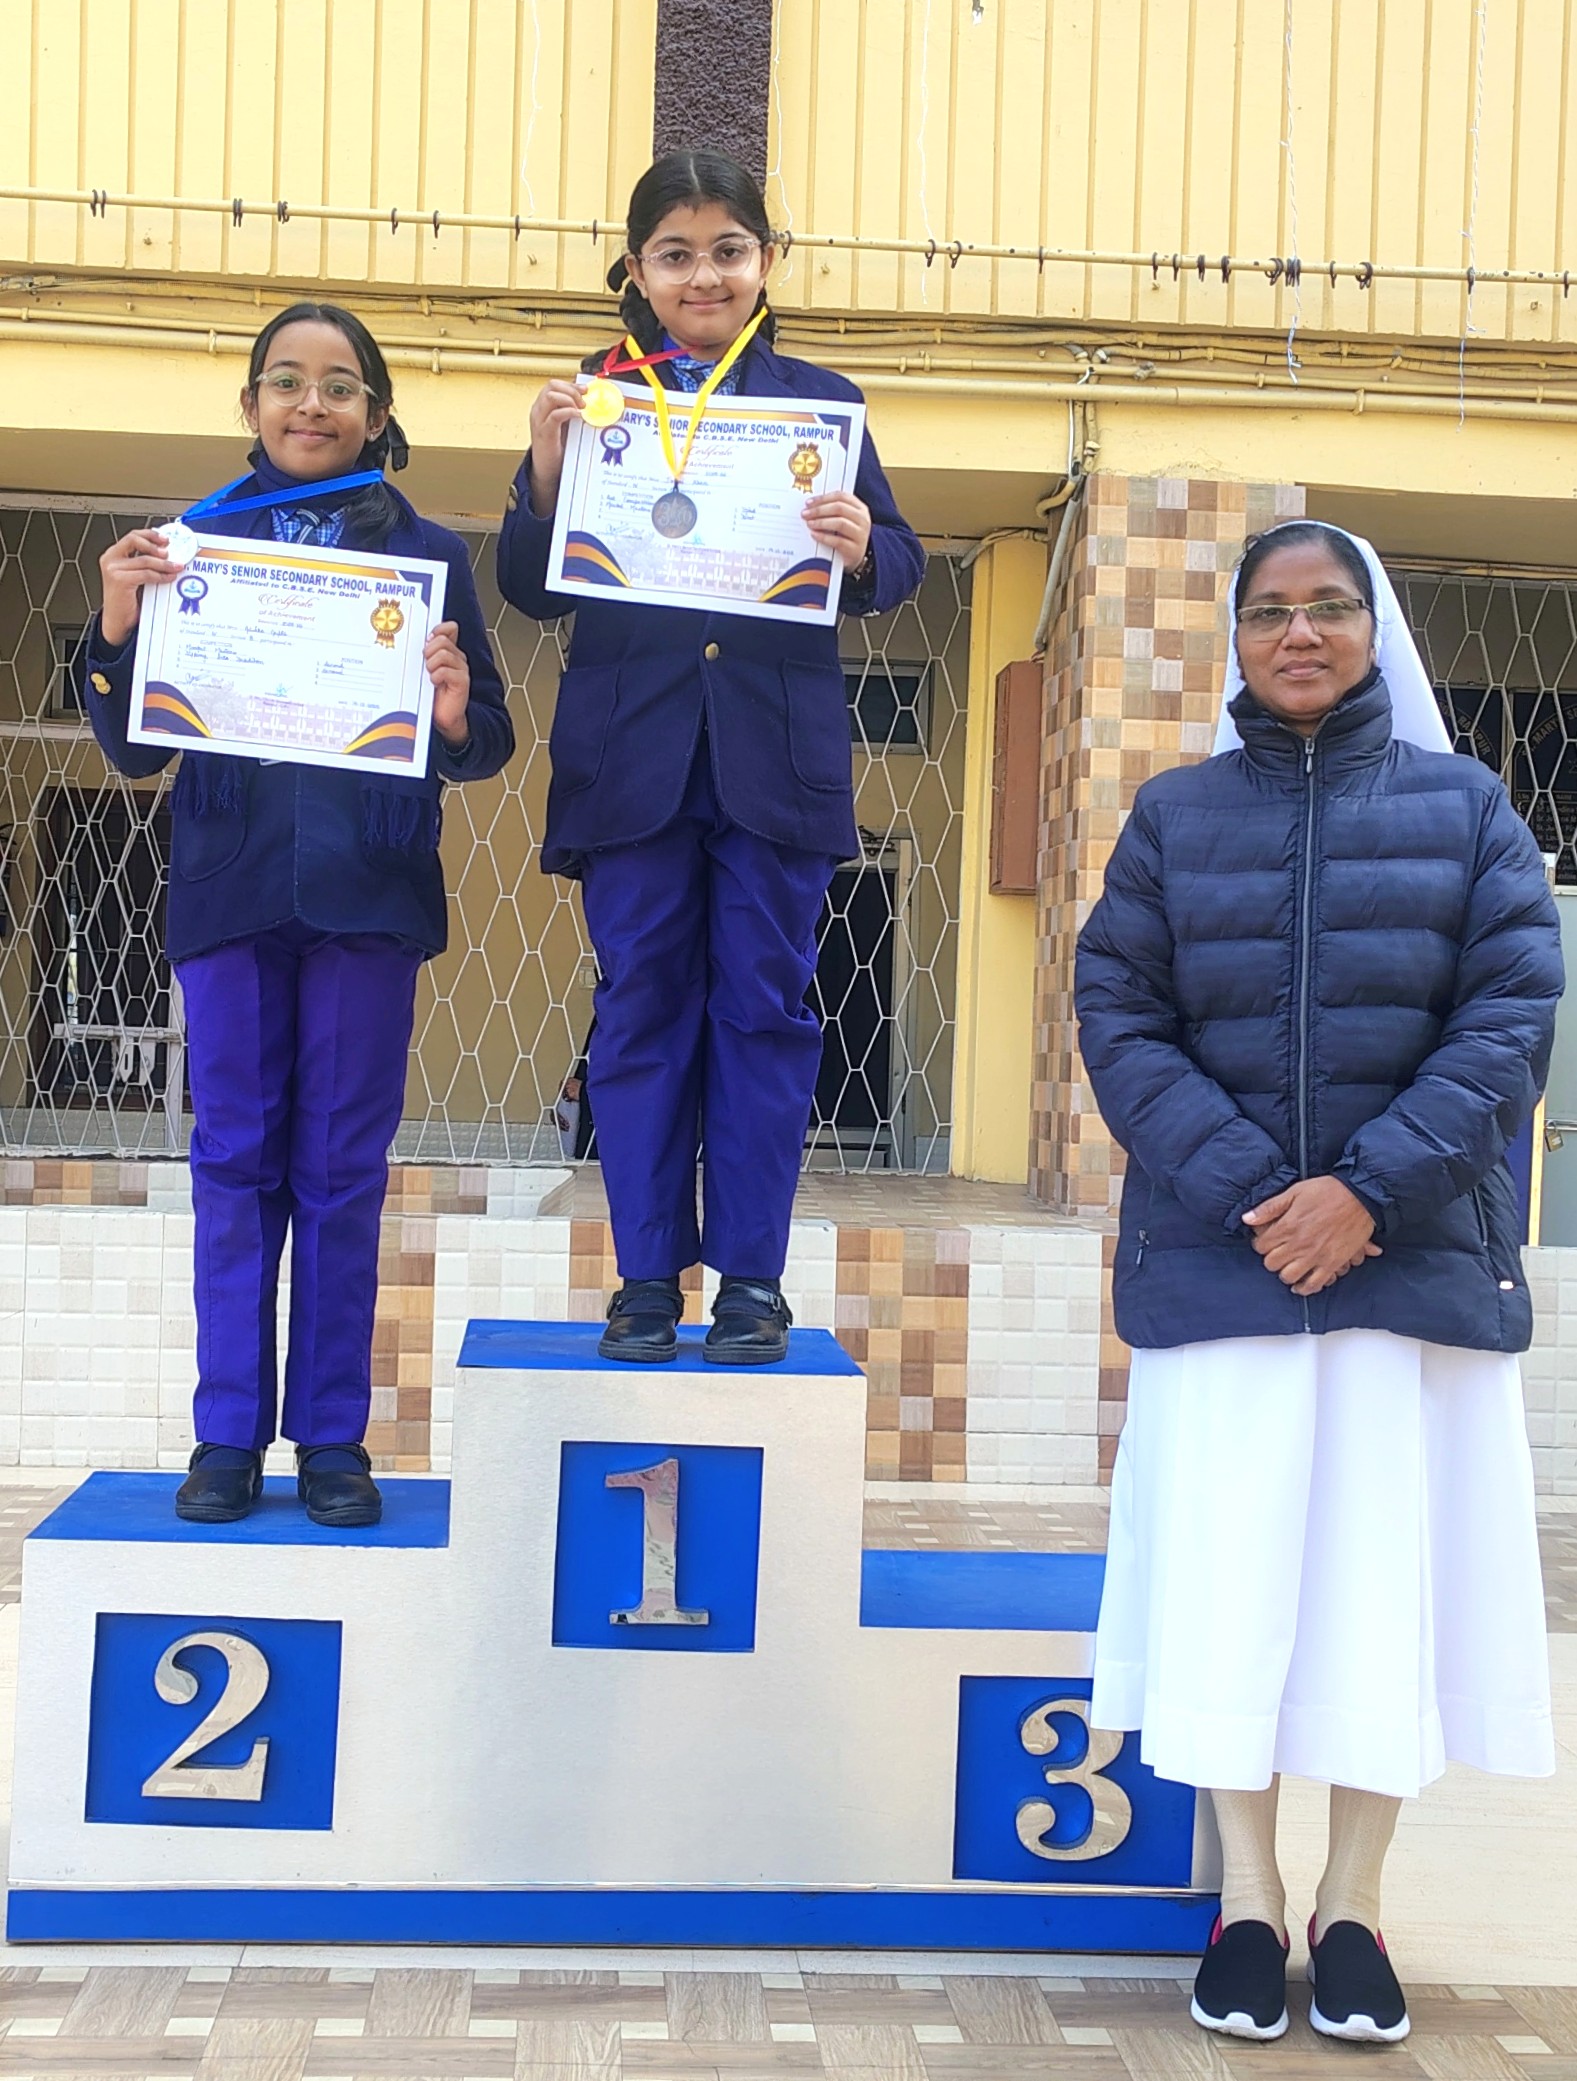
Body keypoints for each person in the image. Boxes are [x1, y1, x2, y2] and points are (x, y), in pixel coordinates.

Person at [1075, 520, 1562, 2045]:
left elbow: (1510, 1016)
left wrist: (1364, 1193)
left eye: (1329, 607)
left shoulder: (1466, 809)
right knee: (1228, 1596)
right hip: (1224, 1274)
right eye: (1271, 611)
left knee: (1373, 1598)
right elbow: (1118, 1013)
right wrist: (1255, 1193)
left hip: (1403, 1280)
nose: (1300, 633)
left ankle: (1352, 1903)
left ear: (1371, 628)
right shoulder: (1172, 817)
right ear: (1236, 637)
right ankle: (1249, 1897)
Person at [82, 302, 514, 1527]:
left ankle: (331, 1437)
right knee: (232, 1161)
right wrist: (115, 622)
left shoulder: (429, 553)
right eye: (286, 381)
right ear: (251, 406)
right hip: (231, 890)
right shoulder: (187, 548)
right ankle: (226, 1433)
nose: (310, 403)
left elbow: (486, 739)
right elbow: (132, 746)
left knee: (338, 1170)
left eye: (337, 385)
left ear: (375, 412)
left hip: (368, 893)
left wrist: (451, 711)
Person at [497, 150, 924, 1365]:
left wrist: (862, 545)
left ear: (765, 262)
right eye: (675, 254)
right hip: (630, 765)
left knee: (764, 1012)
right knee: (638, 1010)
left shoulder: (819, 403)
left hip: (772, 768)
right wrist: (544, 471)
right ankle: (643, 1277)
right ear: (636, 270)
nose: (703, 276)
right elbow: (528, 587)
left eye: (727, 250)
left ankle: (750, 1278)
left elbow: (900, 562)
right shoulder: (594, 399)